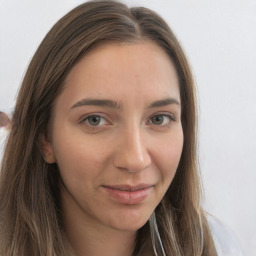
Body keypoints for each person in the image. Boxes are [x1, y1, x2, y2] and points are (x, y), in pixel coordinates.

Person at [0, 1, 243, 256]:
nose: (135, 160)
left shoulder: (221, 247)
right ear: (44, 138)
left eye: (159, 119)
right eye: (95, 120)